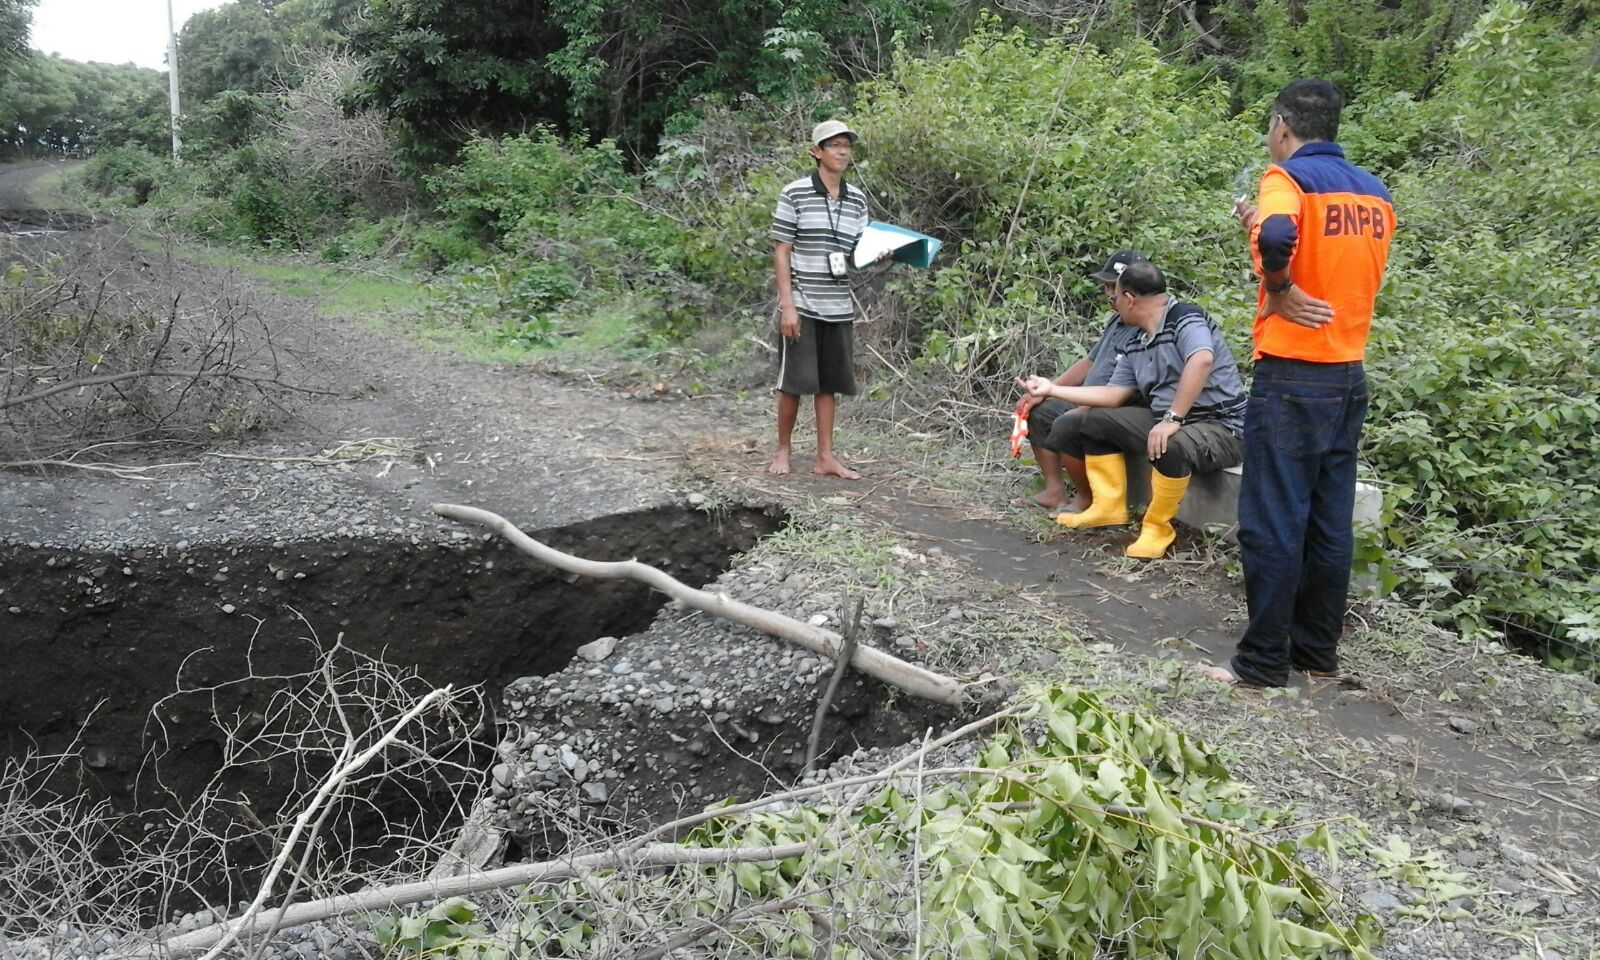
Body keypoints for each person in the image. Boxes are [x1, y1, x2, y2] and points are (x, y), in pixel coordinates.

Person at [1200, 79, 1396, 688]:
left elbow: (1285, 239)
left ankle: (1261, 663)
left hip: (1293, 377)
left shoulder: (1286, 178)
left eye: (1270, 126)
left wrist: (1280, 291)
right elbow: (1321, 251)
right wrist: (1259, 231)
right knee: (1327, 520)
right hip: (1347, 373)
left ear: (1282, 125)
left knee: (1272, 519)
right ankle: (1314, 651)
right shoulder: (1374, 193)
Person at [1020, 261, 1247, 558]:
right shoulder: (1137, 340)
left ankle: (1157, 527)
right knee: (1090, 421)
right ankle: (1107, 507)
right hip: (1170, 421)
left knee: (1169, 443)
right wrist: (1051, 389)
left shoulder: (1185, 318)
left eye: (1114, 297)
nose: (1112, 304)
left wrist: (1172, 418)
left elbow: (1201, 359)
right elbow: (1113, 394)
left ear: (1129, 298)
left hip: (1220, 425)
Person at [768, 119, 871, 480]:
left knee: (829, 384)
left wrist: (882, 252)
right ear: (816, 152)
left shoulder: (856, 199)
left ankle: (825, 456)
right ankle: (783, 449)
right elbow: (782, 251)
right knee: (794, 382)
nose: (842, 151)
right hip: (802, 302)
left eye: (846, 145)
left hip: (838, 305)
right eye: (834, 145)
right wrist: (788, 305)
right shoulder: (795, 193)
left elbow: (857, 253)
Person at [1018, 249, 1149, 511]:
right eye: (1106, 288)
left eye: (1113, 287)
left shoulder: (1145, 327)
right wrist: (1048, 390)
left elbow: (1127, 389)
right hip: (1089, 396)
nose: (1109, 295)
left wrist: (1081, 403)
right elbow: (1089, 362)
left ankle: (1088, 498)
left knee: (1070, 423)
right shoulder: (1117, 320)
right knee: (1039, 410)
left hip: (1115, 404)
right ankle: (1055, 490)